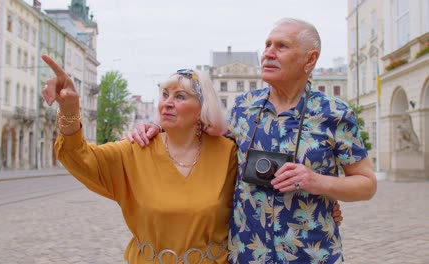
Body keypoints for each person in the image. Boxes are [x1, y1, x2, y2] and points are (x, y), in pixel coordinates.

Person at [126, 18, 376, 263]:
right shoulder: (243, 108)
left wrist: (317, 182)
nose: (268, 53)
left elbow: (366, 184)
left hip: (312, 254)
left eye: (281, 46)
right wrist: (157, 125)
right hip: (246, 254)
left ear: (310, 59)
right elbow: (195, 131)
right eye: (267, 45)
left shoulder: (334, 113)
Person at [41, 54, 238, 263]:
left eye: (180, 96)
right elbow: (79, 157)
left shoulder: (228, 153)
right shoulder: (137, 149)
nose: (168, 103)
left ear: (201, 109)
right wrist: (69, 109)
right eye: (164, 94)